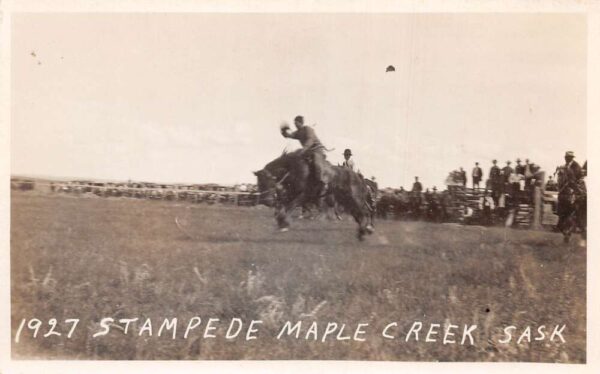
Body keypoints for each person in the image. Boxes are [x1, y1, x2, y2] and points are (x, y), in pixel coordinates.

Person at [281, 115, 328, 194]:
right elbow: (290, 135)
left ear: (300, 123)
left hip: (317, 150)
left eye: (296, 123)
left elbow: (310, 140)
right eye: (294, 123)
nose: (295, 125)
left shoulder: (308, 129)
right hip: (308, 151)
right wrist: (284, 132)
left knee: (316, 161)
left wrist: (303, 149)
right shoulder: (298, 132)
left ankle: (322, 182)